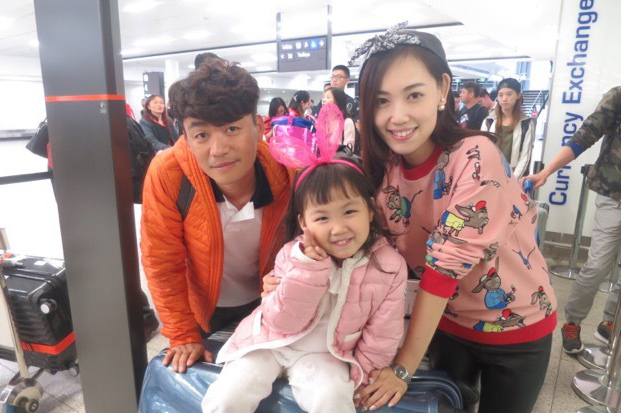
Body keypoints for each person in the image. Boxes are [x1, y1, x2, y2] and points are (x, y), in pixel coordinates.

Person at [262, 23, 556, 412]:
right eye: (381, 101)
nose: (397, 116)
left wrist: (402, 368)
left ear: (442, 88)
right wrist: (293, 272)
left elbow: (443, 269)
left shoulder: (474, 156)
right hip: (441, 325)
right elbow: (355, 244)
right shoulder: (382, 171)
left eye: (413, 95)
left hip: (516, 327)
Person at [201, 147, 407, 413]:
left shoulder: (389, 267)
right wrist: (309, 268)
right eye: (322, 217)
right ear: (303, 222)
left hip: (325, 355)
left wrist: (366, 377)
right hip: (270, 343)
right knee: (229, 395)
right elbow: (281, 322)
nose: (338, 228)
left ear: (369, 209)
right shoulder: (291, 255)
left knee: (333, 399)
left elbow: (382, 335)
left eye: (349, 212)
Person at [140, 58, 296, 373]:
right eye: (201, 135)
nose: (218, 149)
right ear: (185, 137)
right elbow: (162, 261)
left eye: (232, 129)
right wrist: (182, 333)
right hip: (204, 310)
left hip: (271, 304)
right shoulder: (169, 174)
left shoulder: (286, 169)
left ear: (258, 126)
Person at [522, 86, 621, 354]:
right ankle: (573, 322)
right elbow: (584, 136)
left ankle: (610, 322)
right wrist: (546, 172)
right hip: (614, 195)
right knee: (597, 265)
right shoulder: (618, 96)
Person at [481, 78, 536, 179]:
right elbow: (482, 150)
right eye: (500, 95)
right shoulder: (489, 121)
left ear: (518, 95)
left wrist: (512, 181)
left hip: (514, 175)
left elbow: (525, 157)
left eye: (509, 94)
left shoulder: (526, 123)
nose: (504, 99)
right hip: (490, 175)